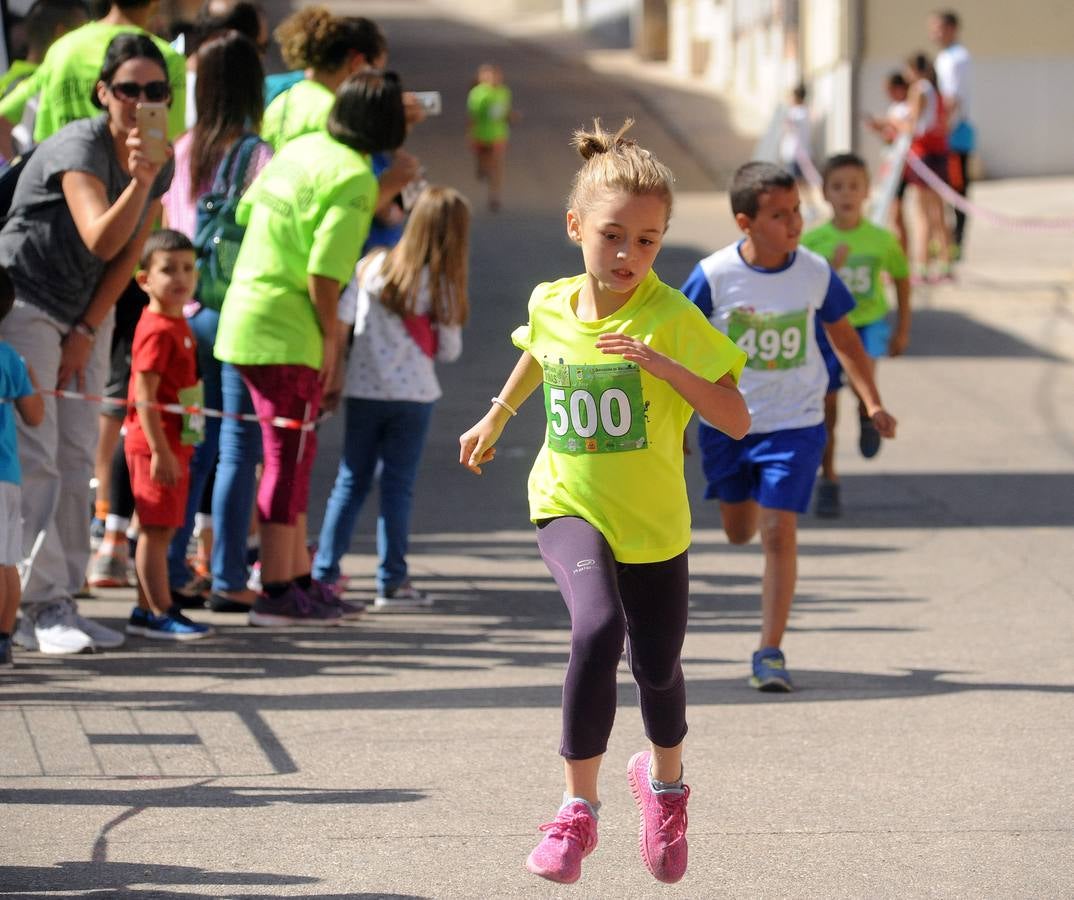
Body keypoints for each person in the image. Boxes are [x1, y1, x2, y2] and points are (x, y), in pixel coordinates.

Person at [459, 119, 750, 886]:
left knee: (657, 669)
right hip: (567, 503)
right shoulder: (551, 300)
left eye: (648, 242)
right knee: (596, 626)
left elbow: (734, 416)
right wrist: (497, 413)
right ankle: (575, 811)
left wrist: (661, 364)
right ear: (575, 226)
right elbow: (537, 347)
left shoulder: (672, 318)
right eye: (613, 236)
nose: (629, 257)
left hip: (653, 524)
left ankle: (666, 786)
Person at [680, 161, 896, 692]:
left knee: (779, 531)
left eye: (796, 211)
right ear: (745, 222)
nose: (794, 223)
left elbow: (845, 340)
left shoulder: (815, 272)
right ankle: (747, 499)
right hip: (729, 424)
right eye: (779, 215)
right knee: (738, 531)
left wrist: (871, 402)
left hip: (796, 423)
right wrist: (677, 418)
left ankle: (769, 651)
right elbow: (679, 347)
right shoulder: (712, 275)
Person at [0, 32, 174, 654]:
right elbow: (101, 234)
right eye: (129, 90)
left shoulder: (160, 156)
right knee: (40, 456)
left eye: (157, 91)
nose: (141, 101)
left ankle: (58, 600)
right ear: (105, 93)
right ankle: (27, 609)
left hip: (81, 315)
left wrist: (86, 328)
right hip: (24, 302)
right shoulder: (79, 143)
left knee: (79, 459)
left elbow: (131, 252)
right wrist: (140, 180)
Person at [213, 69, 407, 627]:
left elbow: (248, 211)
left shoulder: (299, 150)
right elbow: (325, 274)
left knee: (281, 456)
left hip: (244, 315)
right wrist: (331, 345)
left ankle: (296, 579)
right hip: (287, 331)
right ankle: (276, 591)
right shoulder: (353, 177)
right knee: (287, 459)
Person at [313, 186, 470, 610]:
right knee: (398, 488)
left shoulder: (371, 266)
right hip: (414, 396)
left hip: (364, 390)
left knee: (350, 480)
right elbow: (449, 351)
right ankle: (392, 581)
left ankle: (324, 571)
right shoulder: (442, 284)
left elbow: (344, 322)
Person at [159, 28, 272, 613]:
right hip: (235, 315)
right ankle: (228, 577)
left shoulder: (180, 148)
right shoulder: (255, 154)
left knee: (190, 445)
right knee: (236, 448)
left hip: (184, 314)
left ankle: (175, 568)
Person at [801, 153, 911, 517]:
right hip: (826, 330)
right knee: (827, 407)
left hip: (868, 323)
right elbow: (803, 288)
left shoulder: (881, 239)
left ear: (867, 192)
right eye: (837, 187)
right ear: (825, 193)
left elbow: (901, 278)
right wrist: (832, 268)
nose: (846, 194)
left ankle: (867, 412)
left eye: (854, 186)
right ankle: (829, 478)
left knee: (866, 385)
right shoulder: (815, 241)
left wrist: (902, 328)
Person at [122, 230, 212, 640]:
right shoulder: (158, 328)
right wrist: (160, 450)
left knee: (162, 527)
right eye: (167, 269)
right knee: (156, 532)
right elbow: (145, 395)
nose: (180, 277)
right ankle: (160, 610)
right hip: (157, 444)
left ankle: (147, 608)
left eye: (188, 268)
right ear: (144, 280)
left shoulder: (180, 322)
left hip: (175, 442)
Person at [0, 0, 187, 159]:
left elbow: (6, 116)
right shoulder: (165, 58)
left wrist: (17, 172)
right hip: (135, 186)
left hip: (60, 186)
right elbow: (175, 142)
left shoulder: (62, 49)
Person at [0, 267, 45, 668]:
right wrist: (28, 378)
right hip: (7, 476)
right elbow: (34, 416)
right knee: (6, 561)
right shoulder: (10, 359)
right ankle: (4, 637)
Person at [0, 0, 91, 157]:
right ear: (62, 34)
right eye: (82, 34)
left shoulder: (10, 79)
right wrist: (18, 173)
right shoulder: (36, 81)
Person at [903, 52, 952, 283]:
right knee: (939, 212)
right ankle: (945, 264)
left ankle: (921, 266)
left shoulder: (918, 89)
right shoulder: (937, 92)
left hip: (923, 154)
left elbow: (912, 122)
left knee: (922, 214)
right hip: (939, 152)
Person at [930, 8, 974, 256]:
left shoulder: (959, 57)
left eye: (938, 27)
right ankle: (944, 237)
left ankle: (956, 241)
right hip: (945, 132)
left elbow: (952, 98)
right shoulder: (944, 57)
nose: (934, 33)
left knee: (957, 189)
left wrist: (941, 128)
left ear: (952, 28)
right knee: (939, 190)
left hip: (955, 132)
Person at [865, 71, 912, 254]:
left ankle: (902, 256)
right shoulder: (895, 108)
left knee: (896, 213)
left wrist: (887, 123)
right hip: (891, 163)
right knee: (891, 214)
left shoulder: (906, 108)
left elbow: (905, 131)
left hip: (900, 166)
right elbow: (891, 137)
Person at [466, 62, 513, 212]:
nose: (493, 78)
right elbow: (472, 117)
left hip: (498, 134)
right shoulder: (477, 94)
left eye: (495, 75)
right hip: (481, 133)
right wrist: (471, 135)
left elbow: (505, 112)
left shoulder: (504, 92)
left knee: (497, 165)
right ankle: (481, 167)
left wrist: (511, 116)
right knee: (484, 161)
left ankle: (494, 196)